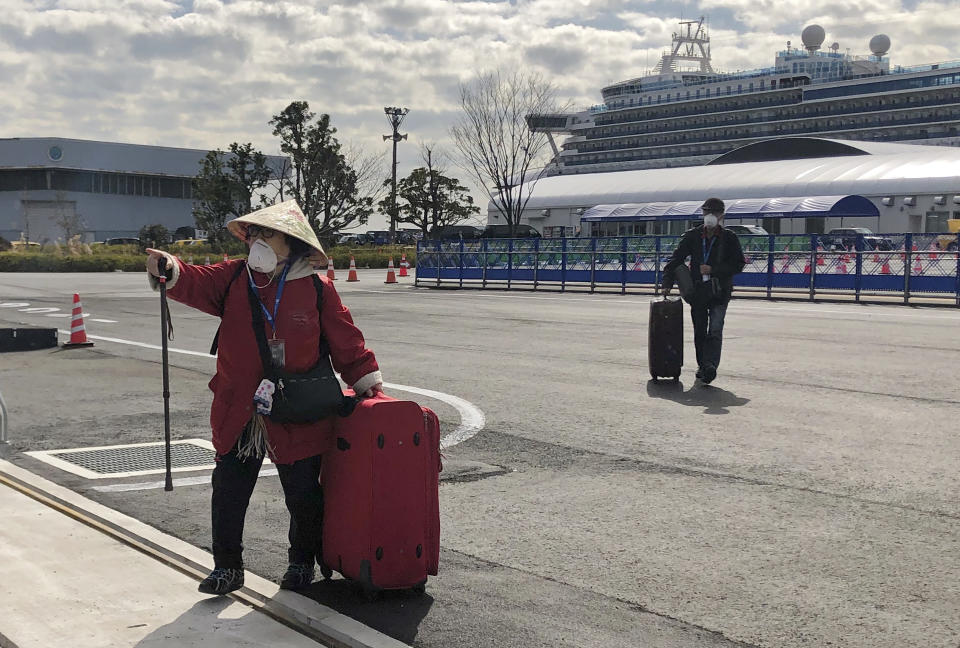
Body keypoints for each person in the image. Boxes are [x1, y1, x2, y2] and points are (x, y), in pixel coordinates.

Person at [145, 200, 382, 596]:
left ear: (290, 243)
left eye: (266, 234)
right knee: (229, 491)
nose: (256, 240)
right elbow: (193, 279)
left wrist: (365, 379)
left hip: (297, 408)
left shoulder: (317, 290)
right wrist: (170, 267)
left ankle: (301, 561)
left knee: (303, 494)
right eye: (253, 233)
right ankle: (227, 567)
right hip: (240, 406)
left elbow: (346, 339)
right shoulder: (234, 277)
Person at [662, 197, 745, 384]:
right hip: (698, 292)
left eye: (715, 213)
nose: (710, 216)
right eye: (707, 212)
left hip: (720, 291)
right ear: (702, 213)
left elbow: (739, 264)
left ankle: (710, 366)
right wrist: (667, 282)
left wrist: (714, 270)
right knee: (700, 330)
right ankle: (703, 365)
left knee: (715, 330)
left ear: (722, 215)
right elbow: (675, 260)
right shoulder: (692, 236)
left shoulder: (729, 238)